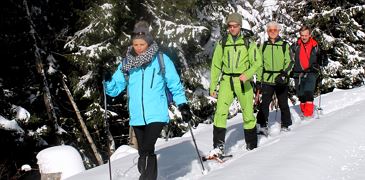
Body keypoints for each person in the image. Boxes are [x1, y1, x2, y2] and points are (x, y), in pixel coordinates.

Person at [104, 20, 192, 180]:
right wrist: (107, 80)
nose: (138, 48)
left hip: (156, 113)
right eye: (135, 44)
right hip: (137, 115)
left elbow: (174, 84)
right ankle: (147, 174)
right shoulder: (126, 64)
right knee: (144, 152)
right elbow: (114, 89)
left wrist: (183, 104)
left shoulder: (161, 60)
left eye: (142, 44)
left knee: (147, 148)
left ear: (149, 42)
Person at [209, 12, 262, 157]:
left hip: (243, 81)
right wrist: (213, 86)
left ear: (240, 26)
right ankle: (218, 148)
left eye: (235, 26)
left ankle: (252, 146)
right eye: (229, 26)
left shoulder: (248, 42)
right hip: (226, 80)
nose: (232, 28)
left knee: (248, 114)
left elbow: (258, 62)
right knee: (220, 113)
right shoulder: (223, 42)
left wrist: (248, 74)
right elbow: (216, 65)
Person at [256, 21, 294, 136]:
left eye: (275, 30)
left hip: (281, 79)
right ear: (267, 32)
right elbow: (259, 64)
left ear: (278, 31)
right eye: (270, 30)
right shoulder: (263, 46)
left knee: (283, 103)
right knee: (264, 104)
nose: (272, 32)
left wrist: (284, 74)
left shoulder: (284, 45)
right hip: (267, 79)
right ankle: (262, 125)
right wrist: (258, 80)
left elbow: (290, 61)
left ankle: (286, 124)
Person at [291, 25, 324, 119]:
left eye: (306, 35)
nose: (304, 37)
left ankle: (308, 115)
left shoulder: (315, 45)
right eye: (302, 35)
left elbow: (322, 59)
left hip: (311, 71)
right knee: (301, 95)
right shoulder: (296, 45)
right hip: (298, 72)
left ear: (309, 35)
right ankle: (304, 111)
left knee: (308, 92)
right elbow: (289, 56)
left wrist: (323, 59)